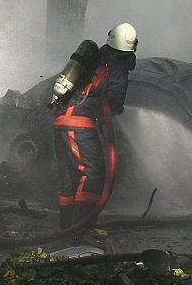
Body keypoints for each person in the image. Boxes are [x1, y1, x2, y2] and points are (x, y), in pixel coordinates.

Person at [53, 22, 138, 230]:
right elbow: (115, 99)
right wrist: (113, 110)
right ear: (132, 47)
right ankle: (81, 228)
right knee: (93, 174)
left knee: (69, 176)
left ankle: (66, 228)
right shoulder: (118, 65)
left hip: (61, 120)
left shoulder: (95, 57)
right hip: (80, 124)